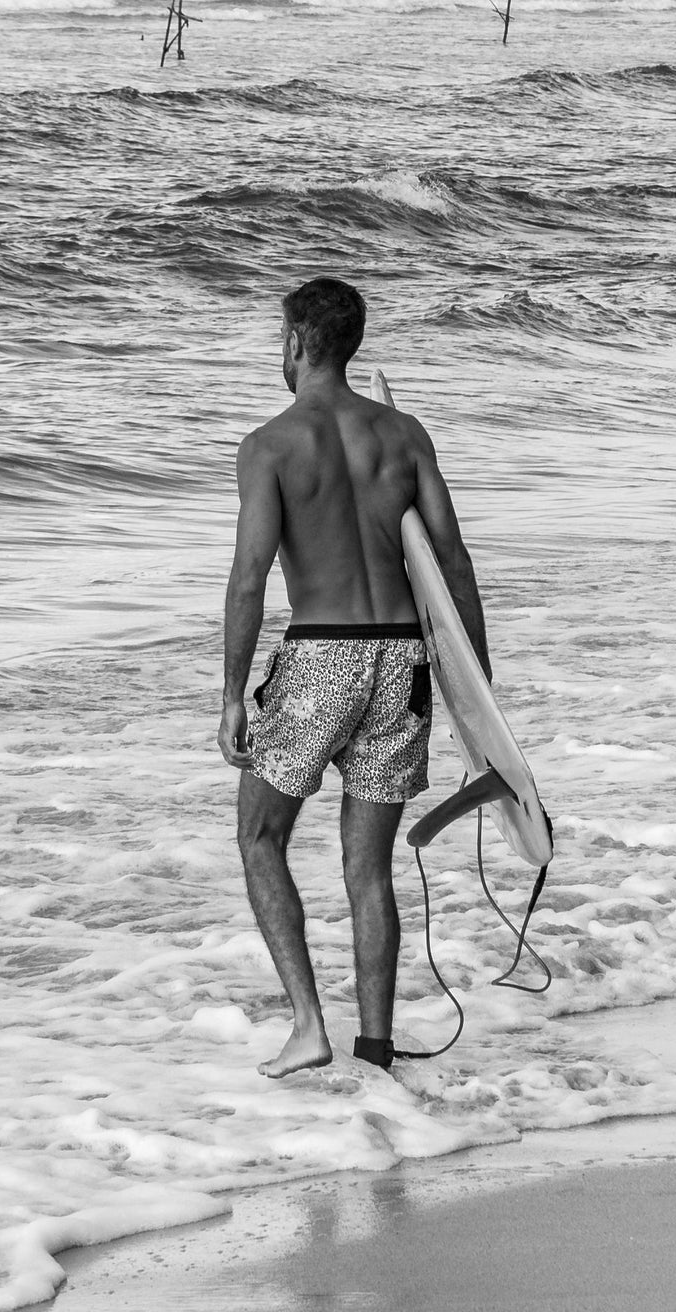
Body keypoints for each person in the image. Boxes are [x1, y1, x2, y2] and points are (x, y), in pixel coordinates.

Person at [219, 275, 491, 1077]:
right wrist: (475, 691)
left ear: (296, 342)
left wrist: (233, 694)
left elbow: (248, 579)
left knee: (261, 836)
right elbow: (453, 562)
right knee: (367, 868)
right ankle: (377, 1054)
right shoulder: (405, 436)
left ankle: (308, 1025)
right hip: (403, 659)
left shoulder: (270, 445)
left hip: (321, 660)